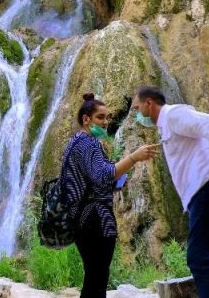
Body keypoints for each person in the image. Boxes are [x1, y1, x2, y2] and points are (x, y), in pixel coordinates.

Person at [131, 84, 209, 298]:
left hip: (207, 188)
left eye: (136, 107)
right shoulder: (165, 124)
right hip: (207, 191)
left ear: (149, 103)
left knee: (199, 260)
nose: (136, 113)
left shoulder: (172, 115)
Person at [65, 93, 160, 298]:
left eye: (107, 118)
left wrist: (113, 182)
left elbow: (92, 179)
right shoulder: (88, 143)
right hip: (94, 220)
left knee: (94, 277)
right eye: (101, 117)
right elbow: (103, 175)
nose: (106, 122)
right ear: (86, 119)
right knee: (97, 278)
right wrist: (134, 157)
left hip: (82, 218)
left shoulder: (76, 141)